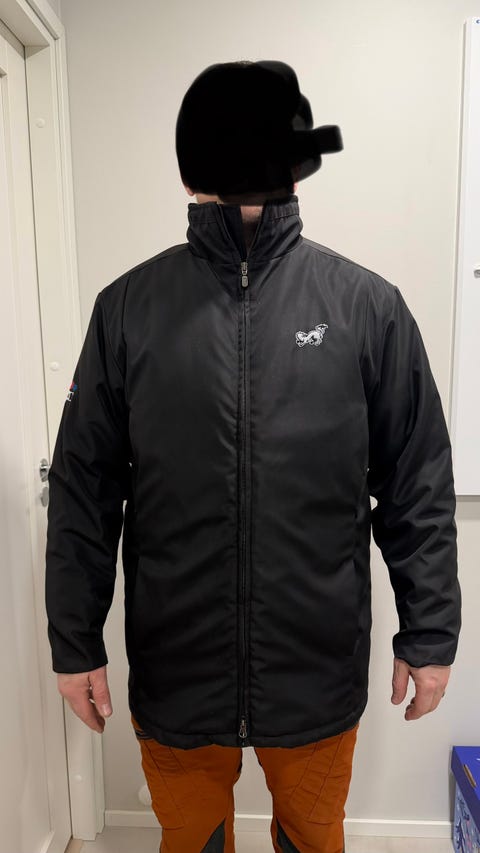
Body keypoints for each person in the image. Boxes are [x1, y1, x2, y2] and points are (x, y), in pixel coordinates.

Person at [45, 60, 462, 853]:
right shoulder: (127, 310)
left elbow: (417, 483)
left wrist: (431, 631)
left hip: (314, 672)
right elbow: (83, 491)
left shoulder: (366, 308)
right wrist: (75, 641)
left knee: (312, 838)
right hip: (178, 670)